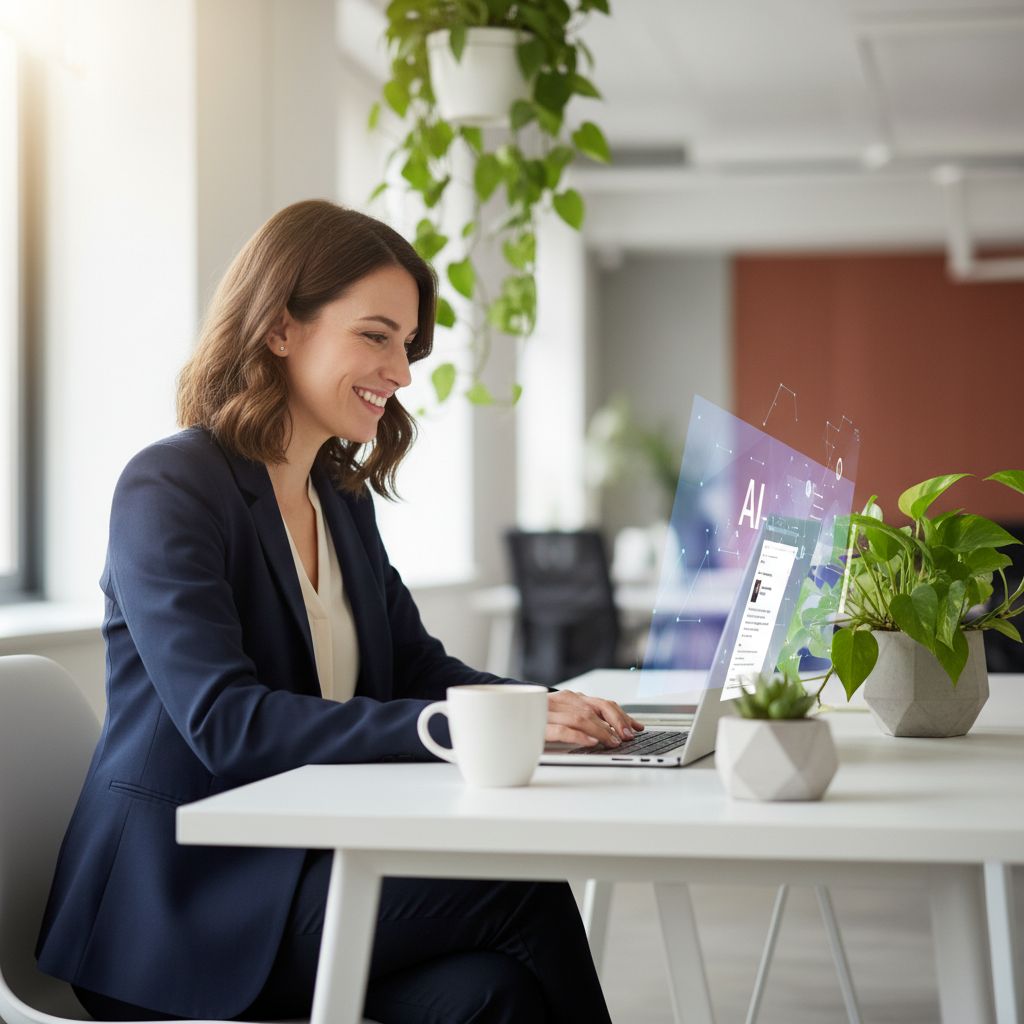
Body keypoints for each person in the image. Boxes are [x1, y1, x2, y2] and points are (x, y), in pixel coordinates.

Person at [36, 200, 643, 1023]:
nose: (401, 371)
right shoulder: (170, 486)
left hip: (300, 868)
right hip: (184, 908)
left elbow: (419, 669)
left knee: (489, 996)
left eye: (407, 345)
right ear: (281, 328)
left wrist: (538, 708)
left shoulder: (340, 498)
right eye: (377, 334)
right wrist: (454, 730)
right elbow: (226, 723)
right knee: (518, 887)